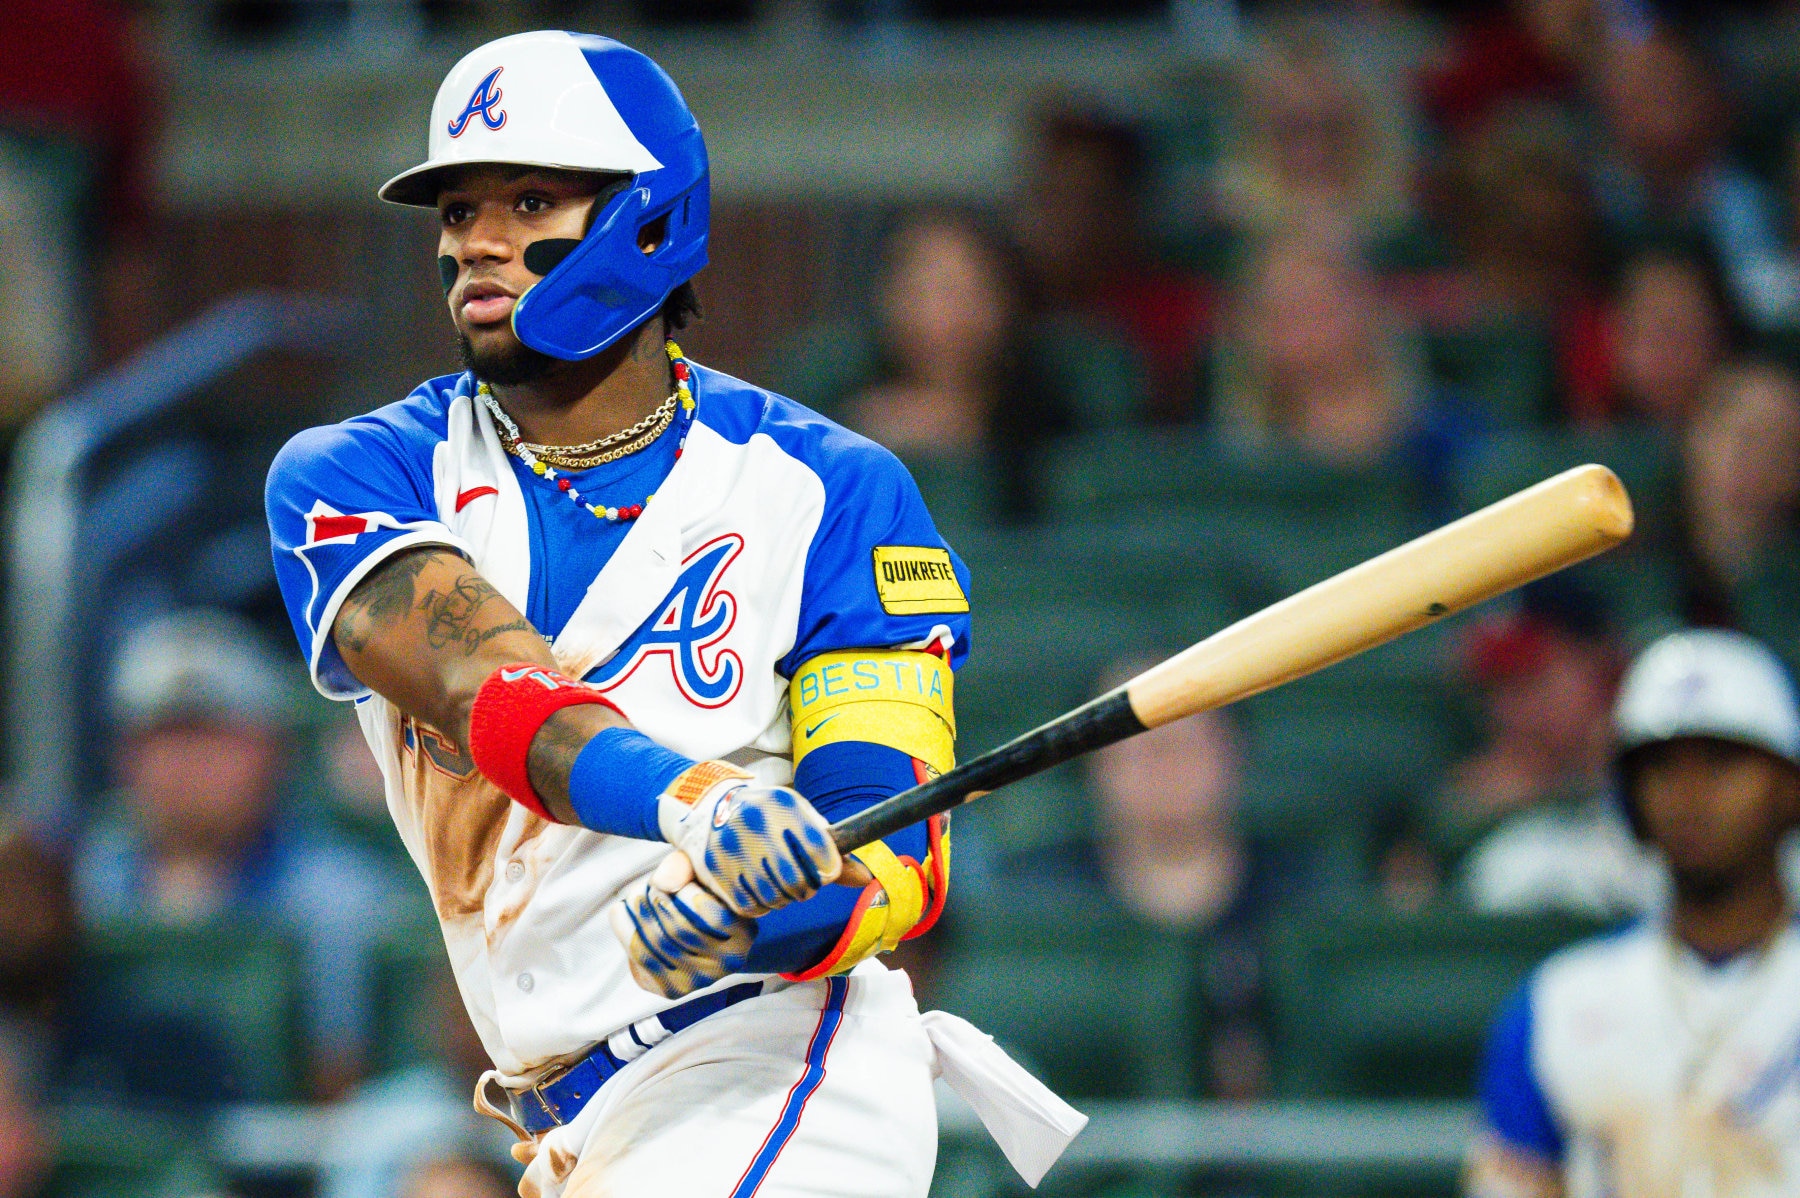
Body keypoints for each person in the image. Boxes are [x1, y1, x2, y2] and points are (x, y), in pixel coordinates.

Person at [263, 31, 1081, 1198]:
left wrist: (766, 919)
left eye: (530, 198)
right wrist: (700, 803)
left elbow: (897, 848)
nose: (474, 241)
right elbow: (494, 697)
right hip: (562, 1117)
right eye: (455, 210)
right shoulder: (356, 472)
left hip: (781, 1068)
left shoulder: (831, 490)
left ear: (650, 215)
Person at [1467, 629, 1800, 1197]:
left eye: (1723, 762)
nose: (1689, 793)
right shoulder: (1560, 1000)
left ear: (1789, 787)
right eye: (1662, 766)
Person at [71, 609, 406, 1097]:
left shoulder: (343, 898)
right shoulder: (78, 882)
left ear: (271, 751)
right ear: (125, 756)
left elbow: (341, 1083)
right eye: (165, 738)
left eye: (214, 737)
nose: (188, 764)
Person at [840, 208, 1070, 521]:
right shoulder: (840, 404)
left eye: (962, 289)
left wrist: (970, 432)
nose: (943, 313)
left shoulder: (1052, 407)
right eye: (921, 289)